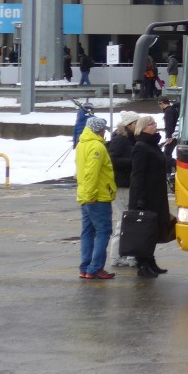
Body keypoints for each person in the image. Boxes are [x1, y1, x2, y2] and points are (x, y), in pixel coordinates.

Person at [129, 115, 172, 278]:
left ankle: (150, 261)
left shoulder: (152, 144)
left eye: (155, 123)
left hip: (156, 195)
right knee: (144, 232)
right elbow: (137, 175)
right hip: (145, 196)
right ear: (143, 127)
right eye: (151, 124)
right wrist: (139, 199)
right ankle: (142, 264)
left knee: (153, 231)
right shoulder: (141, 146)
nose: (155, 126)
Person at [76, 115, 117, 280]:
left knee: (87, 232)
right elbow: (91, 173)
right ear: (99, 130)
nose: (104, 133)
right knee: (103, 231)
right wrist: (91, 195)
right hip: (97, 197)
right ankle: (95, 268)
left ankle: (85, 267)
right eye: (103, 130)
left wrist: (86, 194)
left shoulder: (82, 144)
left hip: (84, 195)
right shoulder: (97, 147)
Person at [106, 111, 140, 267]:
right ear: (130, 125)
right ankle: (116, 256)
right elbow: (113, 160)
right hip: (121, 186)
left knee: (125, 220)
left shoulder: (129, 139)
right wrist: (133, 161)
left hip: (126, 184)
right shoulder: (120, 140)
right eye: (136, 123)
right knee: (123, 220)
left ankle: (123, 255)